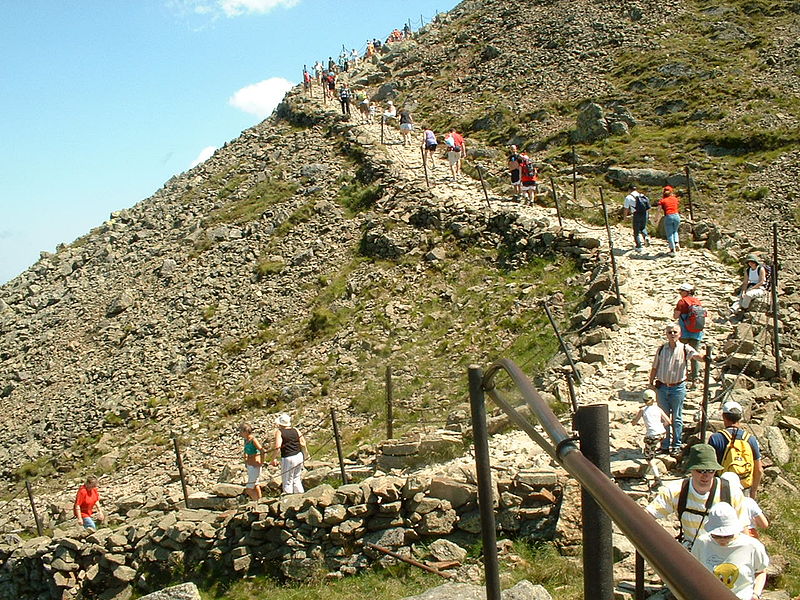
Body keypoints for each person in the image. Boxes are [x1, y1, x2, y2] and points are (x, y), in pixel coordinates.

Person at [646, 444, 746, 550]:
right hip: (692, 551)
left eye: (711, 470)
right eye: (701, 470)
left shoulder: (730, 492)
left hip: (724, 552)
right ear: (691, 469)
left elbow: (743, 528)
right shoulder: (676, 491)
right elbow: (647, 516)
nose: (706, 475)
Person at [690, 502, 769, 599]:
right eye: (717, 536)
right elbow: (693, 571)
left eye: (728, 536)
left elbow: (761, 571)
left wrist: (755, 594)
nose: (722, 540)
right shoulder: (702, 543)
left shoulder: (752, 545)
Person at [649, 324, 705, 455]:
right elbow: (655, 366)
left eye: (675, 332)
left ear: (680, 334)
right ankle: (664, 445)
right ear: (666, 334)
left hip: (678, 388)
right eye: (670, 332)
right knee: (663, 417)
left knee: (677, 417)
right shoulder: (661, 349)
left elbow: (696, 356)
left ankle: (676, 445)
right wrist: (650, 383)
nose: (672, 334)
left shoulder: (685, 348)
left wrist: (706, 357)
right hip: (662, 387)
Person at [709, 400, 764, 500]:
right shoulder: (750, 439)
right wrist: (753, 491)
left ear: (723, 416)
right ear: (740, 417)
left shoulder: (715, 438)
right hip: (744, 487)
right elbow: (759, 470)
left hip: (722, 487)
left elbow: (709, 466)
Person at [632, 389, 671, 485]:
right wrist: (661, 426)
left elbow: (634, 422)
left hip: (652, 436)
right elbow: (668, 421)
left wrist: (633, 421)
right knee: (652, 449)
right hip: (662, 433)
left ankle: (657, 477)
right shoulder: (658, 409)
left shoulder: (643, 410)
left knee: (649, 458)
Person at [719, 472, 769, 538]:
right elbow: (764, 524)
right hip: (748, 536)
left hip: (722, 537)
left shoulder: (717, 504)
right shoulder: (749, 502)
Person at [673, 283, 704, 384]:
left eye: (681, 291)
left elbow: (675, 316)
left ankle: (683, 376)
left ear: (687, 292)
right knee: (695, 354)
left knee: (683, 354)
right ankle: (695, 377)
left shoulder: (682, 302)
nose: (680, 293)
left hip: (684, 332)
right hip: (696, 332)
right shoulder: (697, 301)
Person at [272, 413, 308, 494]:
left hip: (288, 457)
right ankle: (300, 496)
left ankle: (288, 498)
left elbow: (277, 446)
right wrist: (306, 454)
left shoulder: (279, 432)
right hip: (299, 456)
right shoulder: (295, 430)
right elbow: (303, 442)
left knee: (287, 481)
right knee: (296, 478)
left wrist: (273, 458)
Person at [240, 423, 266, 501]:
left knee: (249, 489)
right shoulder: (246, 440)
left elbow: (262, 450)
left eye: (241, 431)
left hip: (255, 465)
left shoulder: (253, 440)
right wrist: (245, 459)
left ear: (246, 432)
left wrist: (261, 462)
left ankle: (256, 501)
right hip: (249, 465)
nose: (240, 433)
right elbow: (245, 451)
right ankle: (260, 500)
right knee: (255, 485)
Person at [623, 184, 651, 252]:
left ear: (629, 189)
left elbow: (626, 208)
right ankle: (646, 237)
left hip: (636, 214)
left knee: (636, 231)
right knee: (643, 227)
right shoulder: (642, 195)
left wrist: (625, 217)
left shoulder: (628, 197)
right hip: (644, 213)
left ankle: (639, 246)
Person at [658, 185, 681, 255]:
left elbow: (659, 210)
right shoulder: (675, 199)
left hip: (668, 216)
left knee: (669, 234)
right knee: (675, 231)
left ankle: (672, 250)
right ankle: (676, 243)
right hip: (676, 216)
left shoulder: (662, 200)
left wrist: (656, 218)